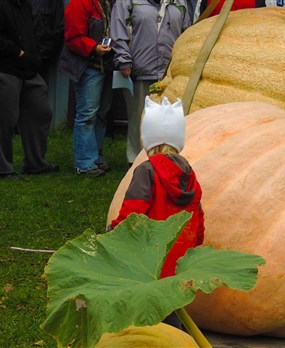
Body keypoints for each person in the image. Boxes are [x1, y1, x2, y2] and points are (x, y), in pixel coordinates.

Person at [108, 96, 204, 328]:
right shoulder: (189, 175)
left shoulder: (147, 171)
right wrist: (196, 245)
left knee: (153, 310)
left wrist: (114, 229)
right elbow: (198, 216)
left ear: (148, 141)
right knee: (171, 305)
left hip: (152, 255)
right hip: (181, 256)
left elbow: (134, 212)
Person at [0, 0, 59, 179]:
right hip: (4, 68)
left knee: (41, 111)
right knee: (4, 120)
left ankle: (35, 163)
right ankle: (2, 169)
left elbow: (31, 33)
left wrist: (33, 54)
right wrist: (17, 51)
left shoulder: (24, 5)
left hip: (28, 68)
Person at [110, 0, 191, 166]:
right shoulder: (128, 2)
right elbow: (118, 30)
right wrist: (124, 60)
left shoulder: (180, 2)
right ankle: (135, 161)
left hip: (170, 73)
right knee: (139, 118)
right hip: (139, 70)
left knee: (171, 118)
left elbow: (187, 34)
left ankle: (168, 160)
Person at [58, 0, 114, 177]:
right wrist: (94, 47)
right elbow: (72, 38)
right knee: (87, 114)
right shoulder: (79, 3)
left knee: (101, 114)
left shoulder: (108, 3)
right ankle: (84, 163)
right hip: (88, 66)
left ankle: (96, 157)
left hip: (105, 66)